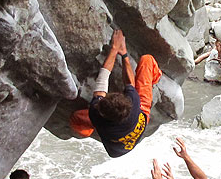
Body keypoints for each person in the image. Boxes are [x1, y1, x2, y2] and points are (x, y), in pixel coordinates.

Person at [69, 29, 162, 157]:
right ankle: (155, 78)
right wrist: (123, 53)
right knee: (147, 60)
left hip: (116, 149)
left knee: (76, 118)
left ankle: (87, 131)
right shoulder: (134, 103)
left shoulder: (96, 116)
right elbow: (129, 82)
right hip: (141, 115)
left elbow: (102, 79)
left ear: (102, 114)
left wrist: (114, 48)